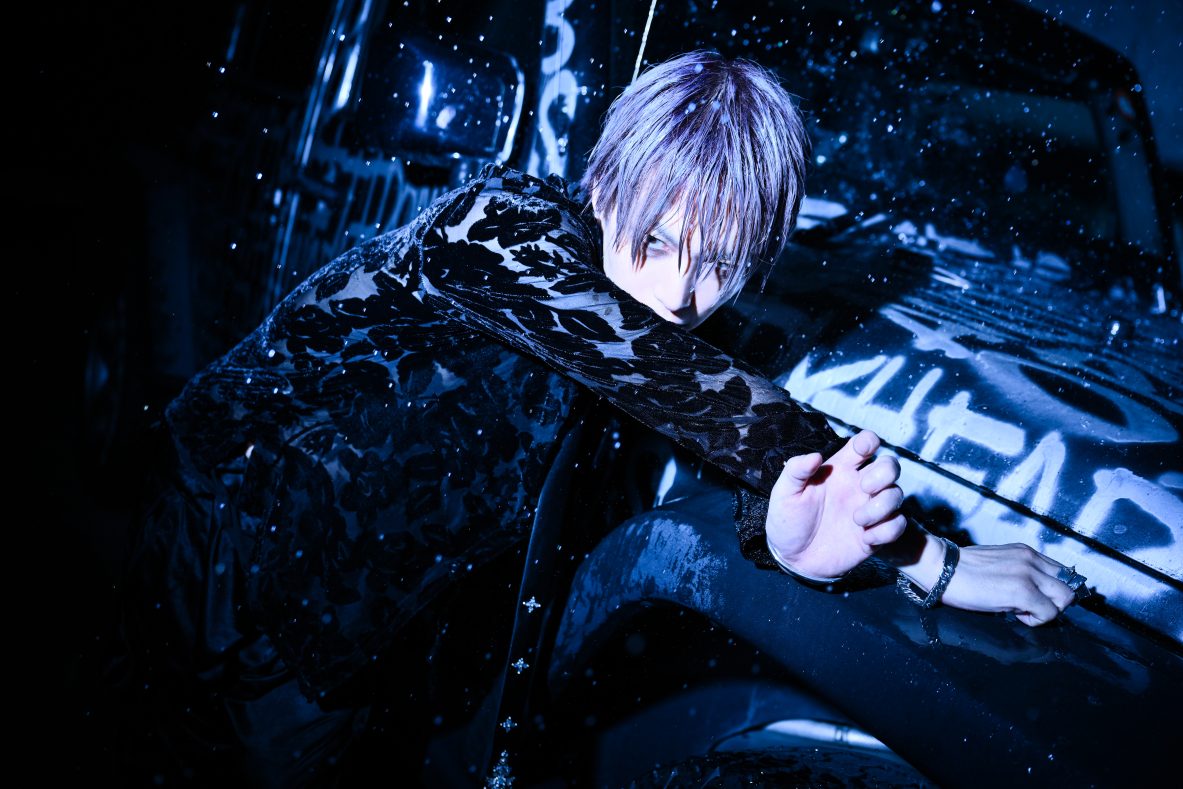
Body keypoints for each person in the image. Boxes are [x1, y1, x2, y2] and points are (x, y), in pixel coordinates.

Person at [106, 50, 1082, 786]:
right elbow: (671, 376)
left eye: (721, 263)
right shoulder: (500, 225)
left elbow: (711, 424)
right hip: (229, 541)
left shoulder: (677, 331)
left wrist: (783, 527)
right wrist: (928, 558)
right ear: (605, 183)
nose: (682, 293)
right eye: (657, 240)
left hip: (366, 629)